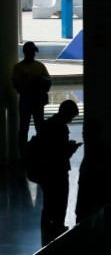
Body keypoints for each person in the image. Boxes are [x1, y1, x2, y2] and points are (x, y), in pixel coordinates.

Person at [32, 100, 82, 245]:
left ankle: (46, 234)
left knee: (48, 205)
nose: (71, 120)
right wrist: (71, 148)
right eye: (71, 116)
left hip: (46, 172)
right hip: (58, 173)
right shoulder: (60, 128)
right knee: (60, 204)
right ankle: (57, 232)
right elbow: (60, 154)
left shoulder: (47, 125)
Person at [12, 41, 50, 151]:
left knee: (31, 127)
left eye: (33, 52)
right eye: (31, 52)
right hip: (29, 100)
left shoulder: (37, 65)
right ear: (25, 52)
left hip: (32, 100)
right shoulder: (20, 67)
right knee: (27, 127)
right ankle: (28, 152)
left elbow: (16, 84)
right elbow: (17, 85)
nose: (33, 54)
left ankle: (31, 152)